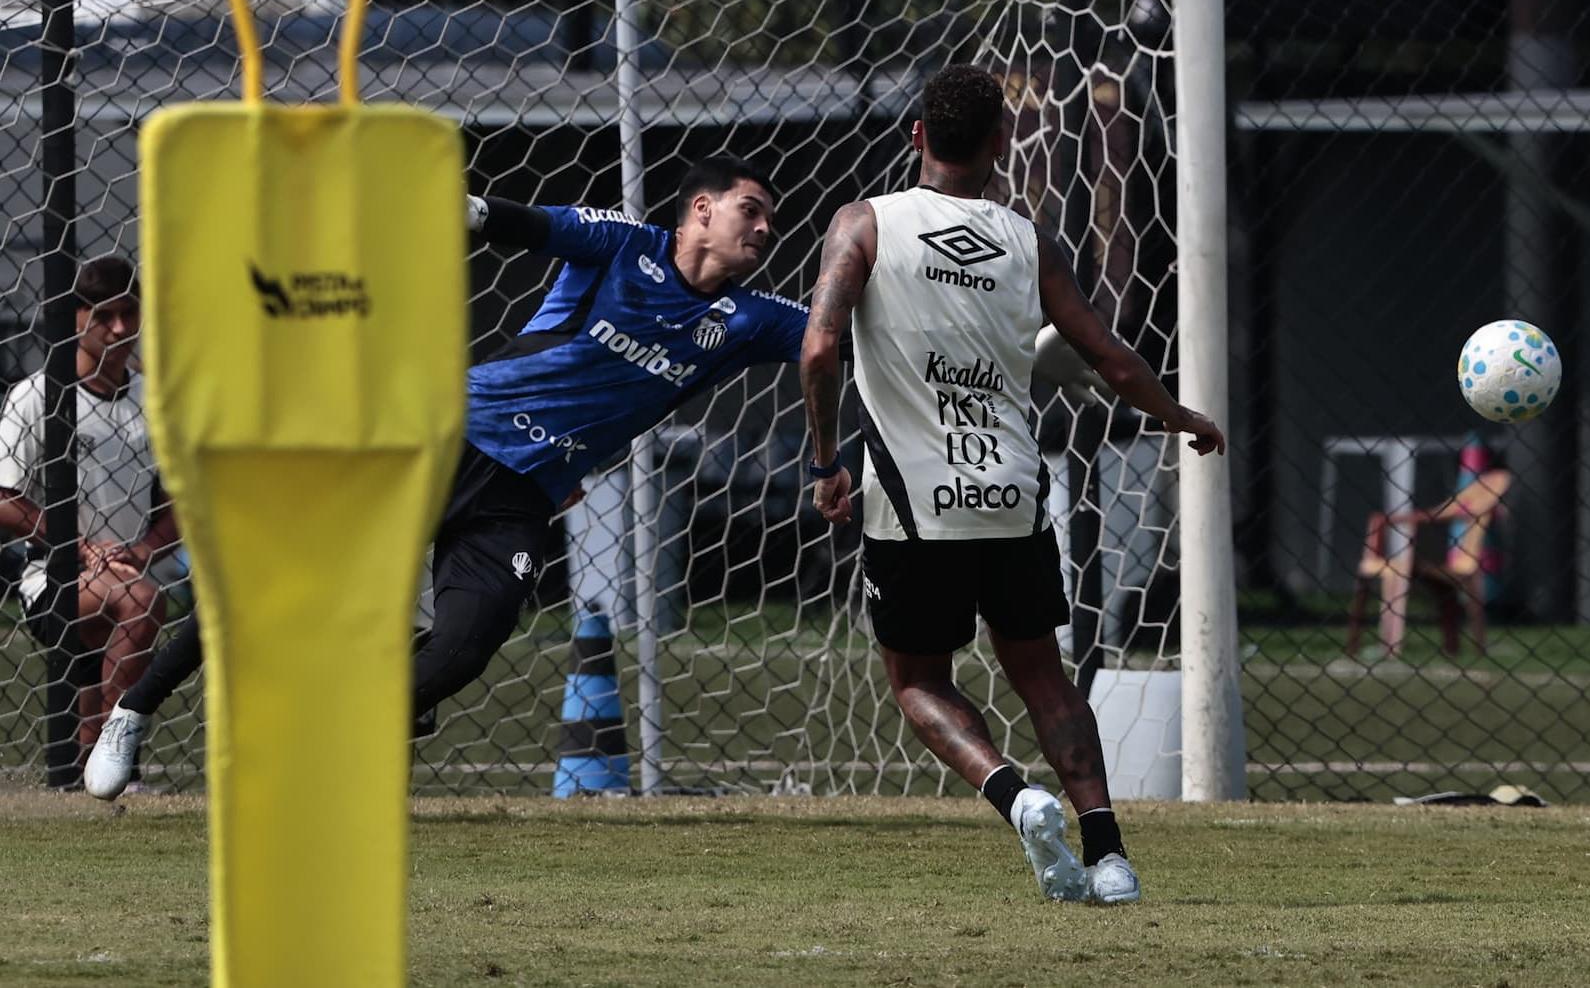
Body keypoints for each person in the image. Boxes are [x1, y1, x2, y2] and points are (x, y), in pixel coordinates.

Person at [84, 154, 1110, 800]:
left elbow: (837, 344)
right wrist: (451, 203)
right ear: (700, 210)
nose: (763, 230)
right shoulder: (621, 244)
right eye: (748, 211)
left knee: (461, 652)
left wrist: (1008, 345)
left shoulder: (747, 322)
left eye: (771, 224)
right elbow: (518, 223)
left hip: (526, 497)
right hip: (443, 443)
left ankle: (329, 734)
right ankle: (136, 714)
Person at [799, 65, 1225, 904]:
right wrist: (1181, 418)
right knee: (1043, 675)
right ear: (1002, 144)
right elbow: (1111, 359)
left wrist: (825, 463)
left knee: (919, 681)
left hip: (914, 507)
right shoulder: (1030, 240)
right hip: (1013, 496)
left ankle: (1014, 794)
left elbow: (818, 349)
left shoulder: (865, 224)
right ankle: (1111, 857)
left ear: (916, 135)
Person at [0, 254, 183, 775]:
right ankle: (115, 755)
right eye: (105, 315)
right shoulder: (38, 395)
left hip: (125, 571)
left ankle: (94, 773)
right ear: (76, 317)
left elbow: (180, 508)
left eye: (130, 312)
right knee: (145, 604)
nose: (121, 327)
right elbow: (3, 497)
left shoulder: (154, 400)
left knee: (126, 616)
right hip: (54, 577)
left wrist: (143, 549)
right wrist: (78, 548)